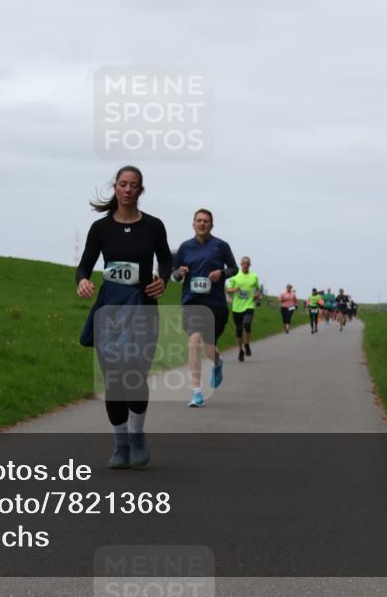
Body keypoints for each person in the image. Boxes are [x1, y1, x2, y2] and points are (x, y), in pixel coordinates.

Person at [77, 166, 171, 469]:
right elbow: (84, 266)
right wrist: (82, 281)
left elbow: (166, 261)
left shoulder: (154, 226)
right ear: (115, 188)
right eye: (122, 184)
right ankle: (120, 444)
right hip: (111, 307)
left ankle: (137, 436)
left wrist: (163, 281)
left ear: (140, 191)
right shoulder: (101, 228)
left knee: (135, 373)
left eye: (134, 185)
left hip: (142, 304)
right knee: (114, 378)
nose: (128, 189)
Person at [171, 209, 238, 408]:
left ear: (211, 225)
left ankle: (217, 363)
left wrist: (221, 273)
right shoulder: (185, 247)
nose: (202, 224)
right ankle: (196, 392)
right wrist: (180, 272)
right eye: (199, 221)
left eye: (206, 221)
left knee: (209, 349)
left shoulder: (221, 246)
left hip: (215, 304)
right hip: (192, 302)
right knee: (193, 342)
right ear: (193, 224)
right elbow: (174, 274)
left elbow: (233, 268)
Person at [225, 257, 260, 362]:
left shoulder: (254, 276)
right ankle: (240, 350)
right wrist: (235, 289)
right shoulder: (235, 276)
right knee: (239, 330)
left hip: (249, 305)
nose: (246, 265)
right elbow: (228, 290)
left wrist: (256, 295)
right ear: (241, 264)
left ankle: (247, 344)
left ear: (250, 265)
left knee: (247, 324)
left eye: (248, 263)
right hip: (237, 307)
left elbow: (258, 289)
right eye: (244, 263)